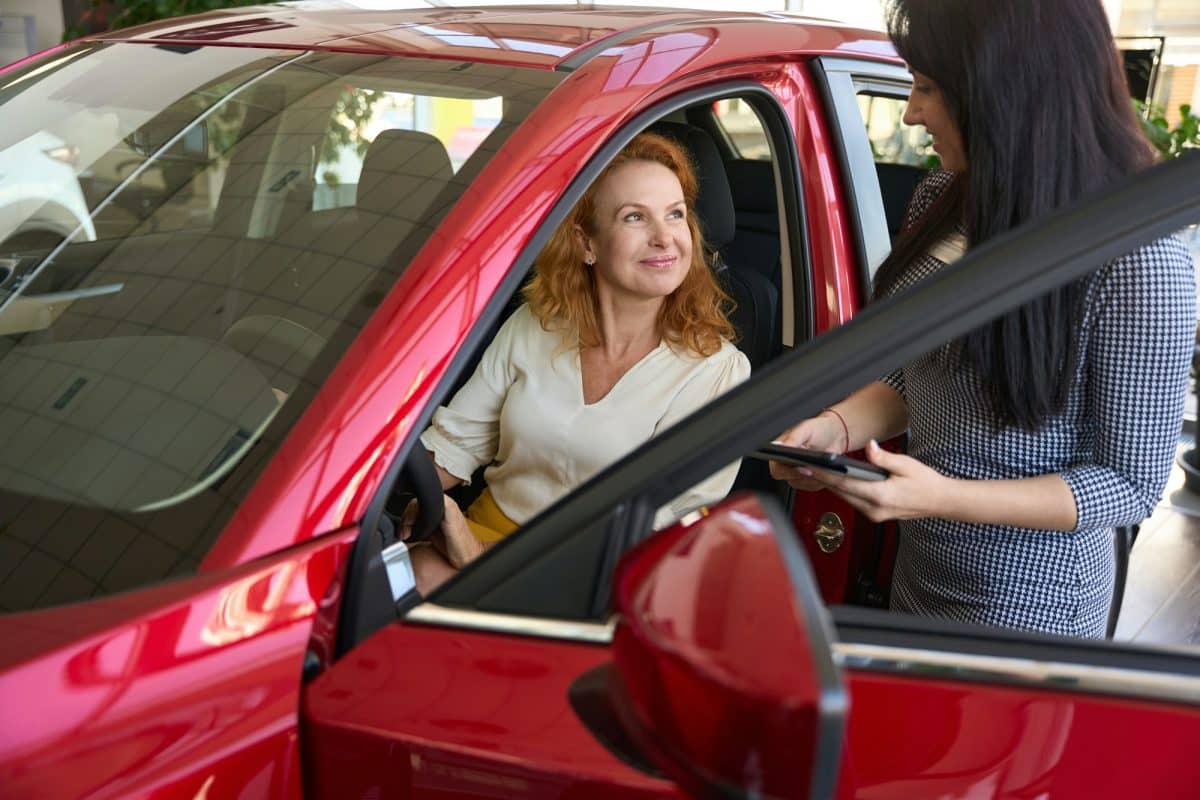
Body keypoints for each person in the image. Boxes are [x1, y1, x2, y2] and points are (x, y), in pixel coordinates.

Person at [771, 0, 1196, 638]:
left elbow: (1128, 484)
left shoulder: (1138, 261)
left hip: (1035, 609)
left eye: (928, 88)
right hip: (922, 571)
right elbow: (918, 378)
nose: (911, 112)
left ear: (1005, 92)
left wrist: (940, 496)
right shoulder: (942, 200)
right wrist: (835, 430)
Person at [406, 132, 751, 593]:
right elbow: (457, 443)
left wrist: (479, 557)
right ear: (586, 242)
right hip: (480, 536)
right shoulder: (535, 325)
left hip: (602, 579)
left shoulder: (718, 373)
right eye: (635, 217)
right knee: (395, 575)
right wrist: (399, 498)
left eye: (675, 215)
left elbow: (656, 533)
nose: (665, 237)